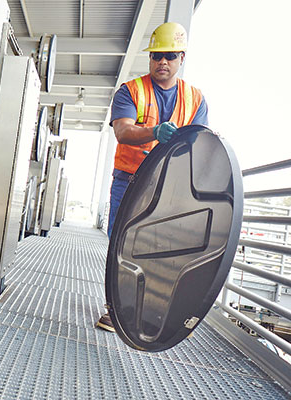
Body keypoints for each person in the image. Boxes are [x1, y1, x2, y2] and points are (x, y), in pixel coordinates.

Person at [95, 22, 209, 332]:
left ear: (181, 58)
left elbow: (199, 145)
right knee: (121, 244)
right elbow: (122, 131)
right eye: (157, 55)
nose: (162, 62)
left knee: (155, 248)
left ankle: (141, 308)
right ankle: (115, 308)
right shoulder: (131, 91)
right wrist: (153, 132)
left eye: (169, 56)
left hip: (168, 188)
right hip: (129, 181)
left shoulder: (195, 99)